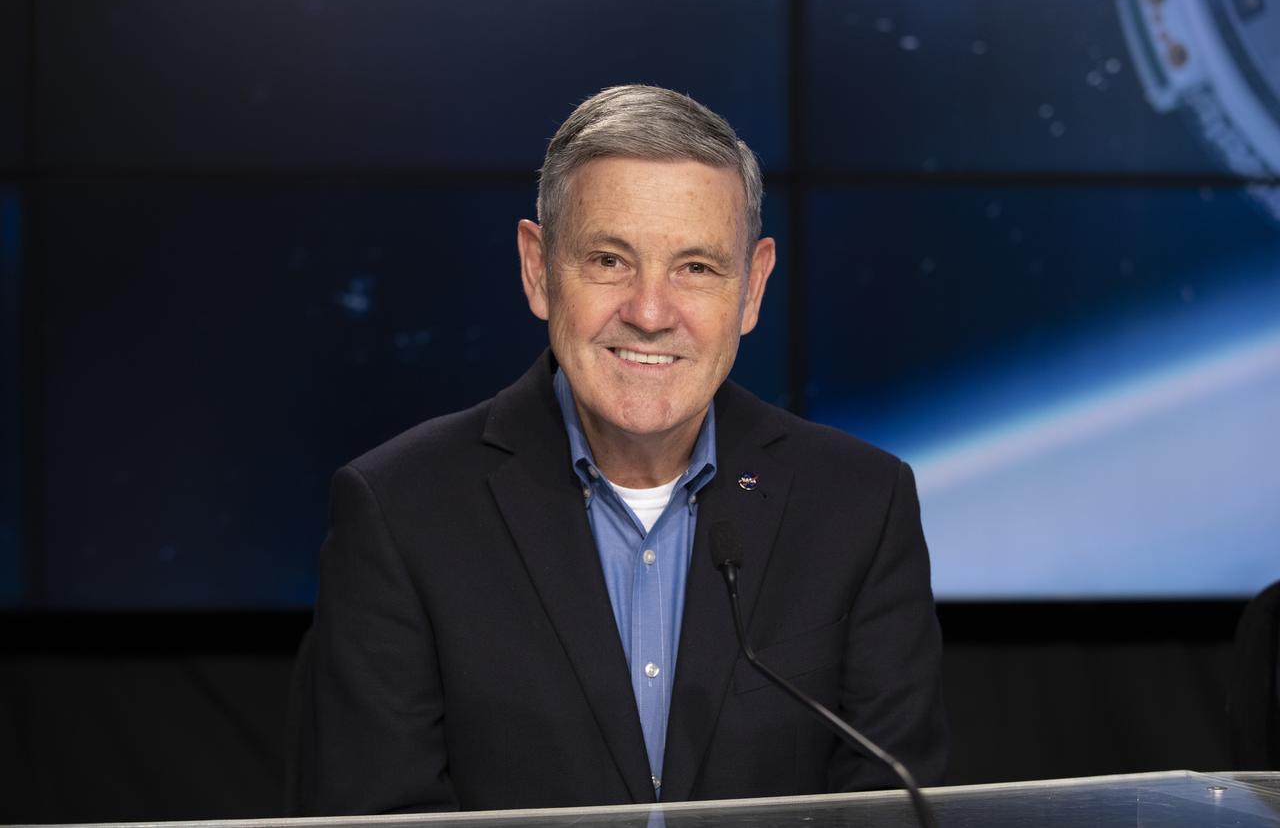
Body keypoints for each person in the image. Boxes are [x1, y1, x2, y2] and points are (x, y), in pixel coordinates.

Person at [290, 85, 947, 815]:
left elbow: (889, 802)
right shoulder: (399, 509)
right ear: (539, 269)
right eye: (609, 259)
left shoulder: (861, 503)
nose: (650, 312)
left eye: (696, 267)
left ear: (753, 289)